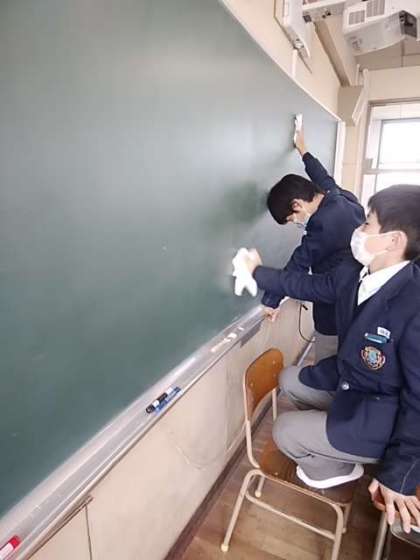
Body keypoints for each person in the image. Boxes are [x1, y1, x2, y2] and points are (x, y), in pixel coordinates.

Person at [245, 184, 420, 533]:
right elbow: (308, 285)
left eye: (367, 224)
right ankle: (334, 439)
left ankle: (341, 467)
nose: (358, 230)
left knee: (285, 431)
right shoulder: (355, 271)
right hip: (352, 381)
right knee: (289, 378)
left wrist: (400, 475)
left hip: (384, 413)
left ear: (393, 240)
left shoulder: (413, 302)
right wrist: (257, 272)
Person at [263, 129, 365, 362]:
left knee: (327, 362)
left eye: (292, 219)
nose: (296, 223)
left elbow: (298, 263)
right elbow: (323, 178)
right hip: (353, 298)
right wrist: (304, 151)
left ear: (296, 205)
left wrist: (271, 301)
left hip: (333, 308)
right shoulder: (340, 197)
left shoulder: (323, 223)